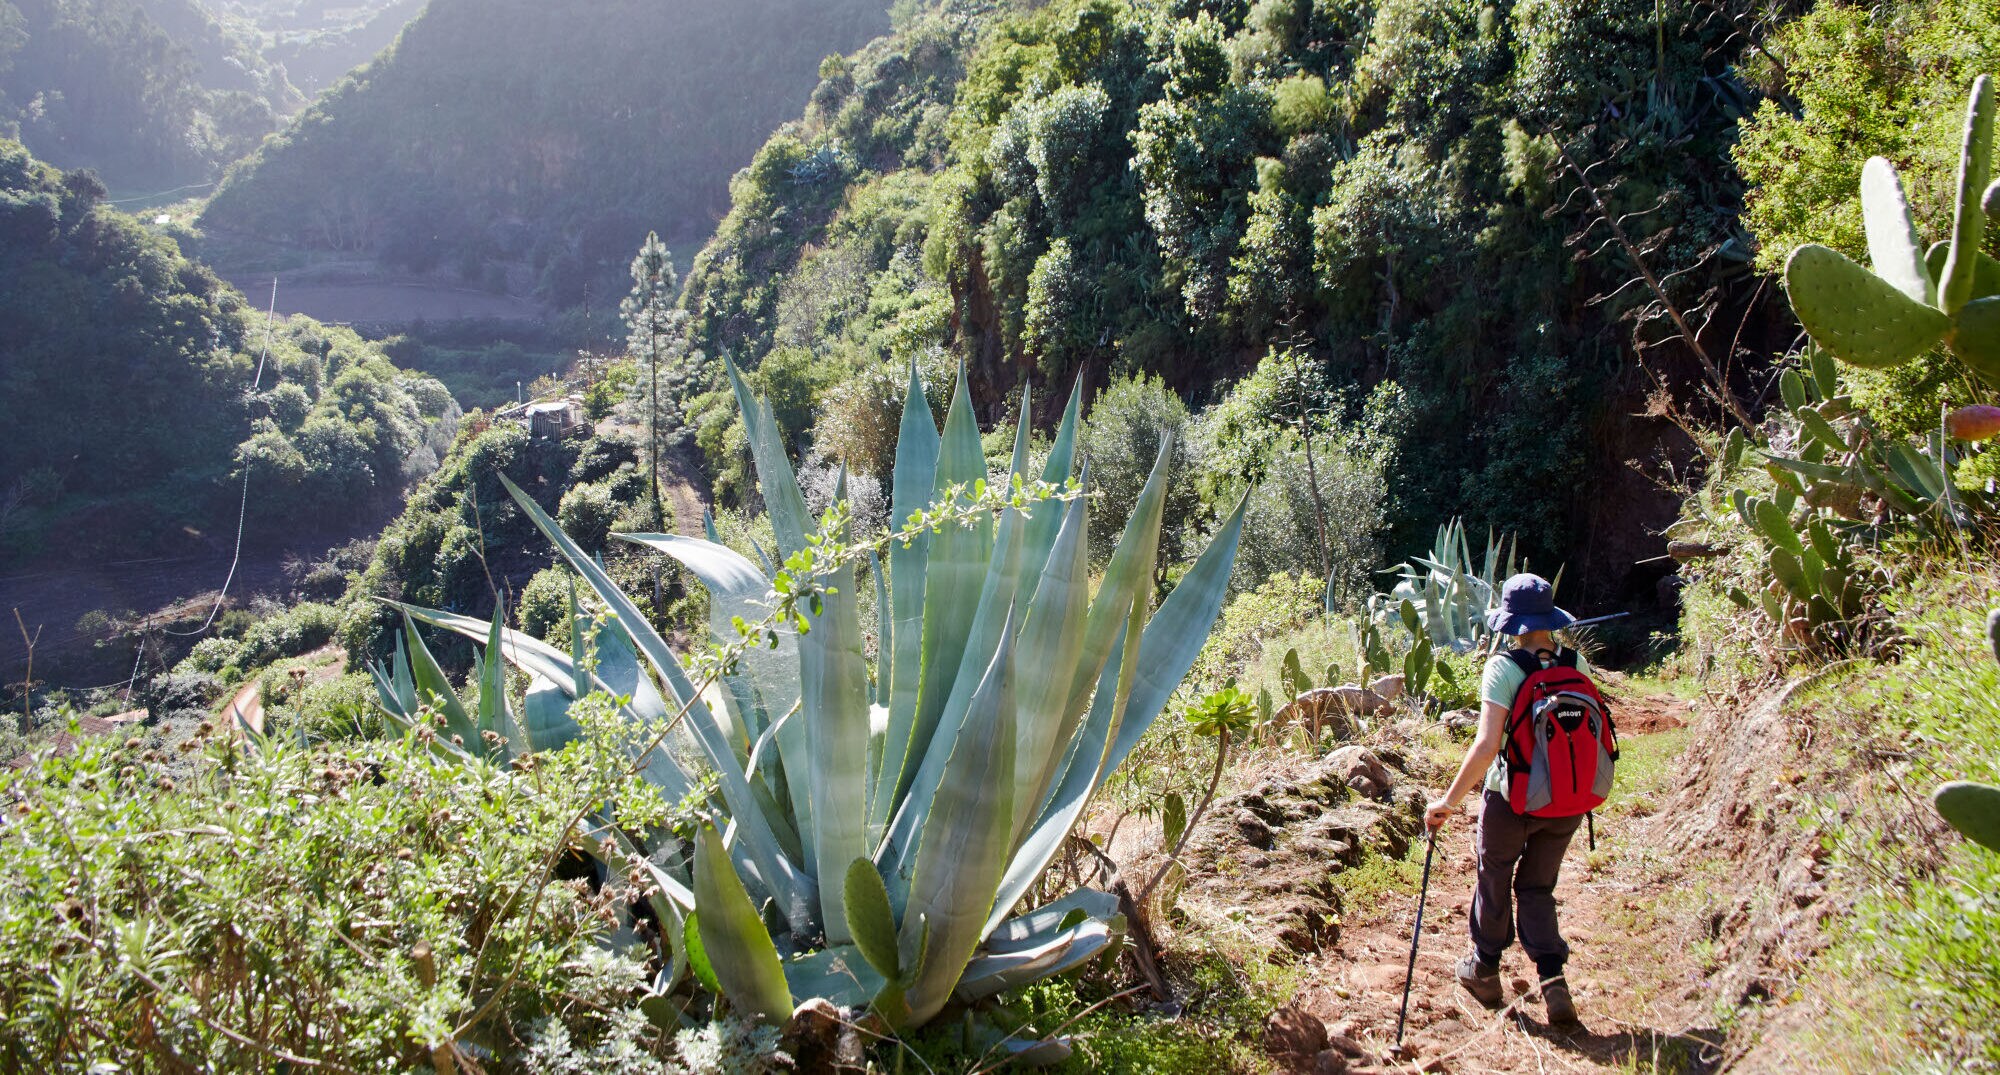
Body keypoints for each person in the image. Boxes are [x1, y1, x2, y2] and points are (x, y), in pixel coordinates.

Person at [1424, 573, 1589, 1026]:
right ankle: (1554, 983)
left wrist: (1448, 802)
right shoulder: (1576, 662)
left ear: (1512, 623)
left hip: (1511, 798)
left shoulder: (1504, 667)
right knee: (1538, 887)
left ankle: (1485, 970)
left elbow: (1486, 746)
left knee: (1493, 877)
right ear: (1550, 619)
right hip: (1567, 799)